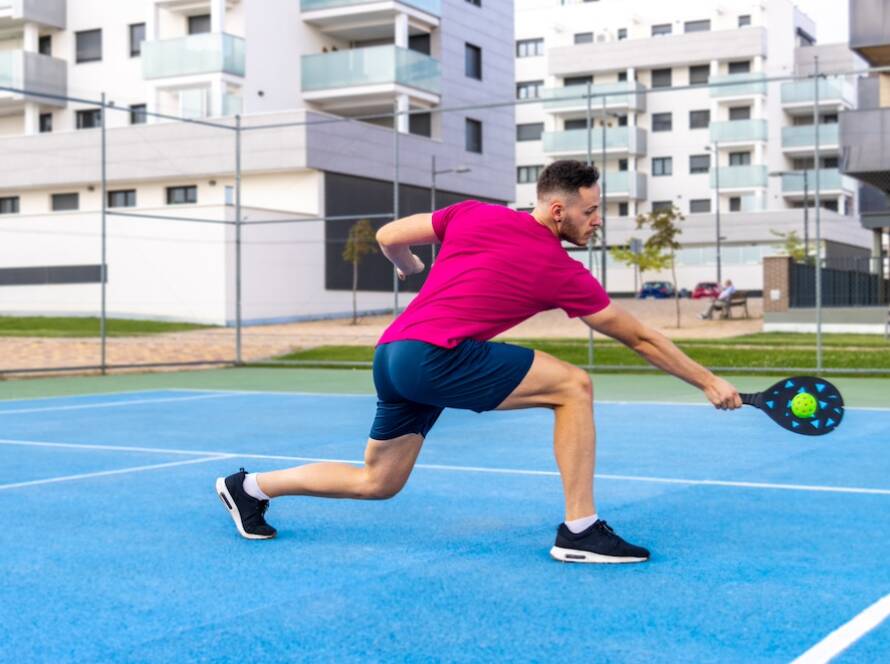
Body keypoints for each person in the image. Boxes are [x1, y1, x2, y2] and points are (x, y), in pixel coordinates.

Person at [216, 160, 742, 564]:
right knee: (574, 386)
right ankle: (580, 531)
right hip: (436, 357)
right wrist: (707, 380)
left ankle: (252, 487)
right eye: (591, 211)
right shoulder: (559, 269)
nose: (597, 220)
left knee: (378, 482)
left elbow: (387, 235)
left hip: (392, 355)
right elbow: (640, 338)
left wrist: (409, 265)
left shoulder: (472, 214)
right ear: (559, 210)